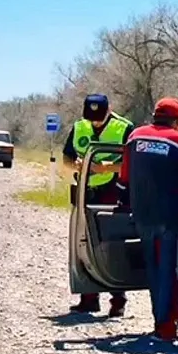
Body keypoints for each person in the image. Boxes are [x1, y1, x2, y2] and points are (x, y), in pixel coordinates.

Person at [117, 97, 178, 339]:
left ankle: (160, 321)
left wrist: (124, 203)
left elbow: (124, 176)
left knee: (153, 269)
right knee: (169, 270)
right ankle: (167, 325)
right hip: (171, 215)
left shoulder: (135, 137)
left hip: (142, 215)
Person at [63, 93, 135, 317]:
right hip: (86, 190)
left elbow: (132, 161)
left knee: (113, 244)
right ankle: (89, 298)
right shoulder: (79, 127)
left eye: (99, 117)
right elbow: (66, 157)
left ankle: (118, 300)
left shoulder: (124, 127)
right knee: (83, 241)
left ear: (109, 110)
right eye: (91, 117)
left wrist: (108, 168)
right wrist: (74, 164)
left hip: (113, 191)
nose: (95, 122)